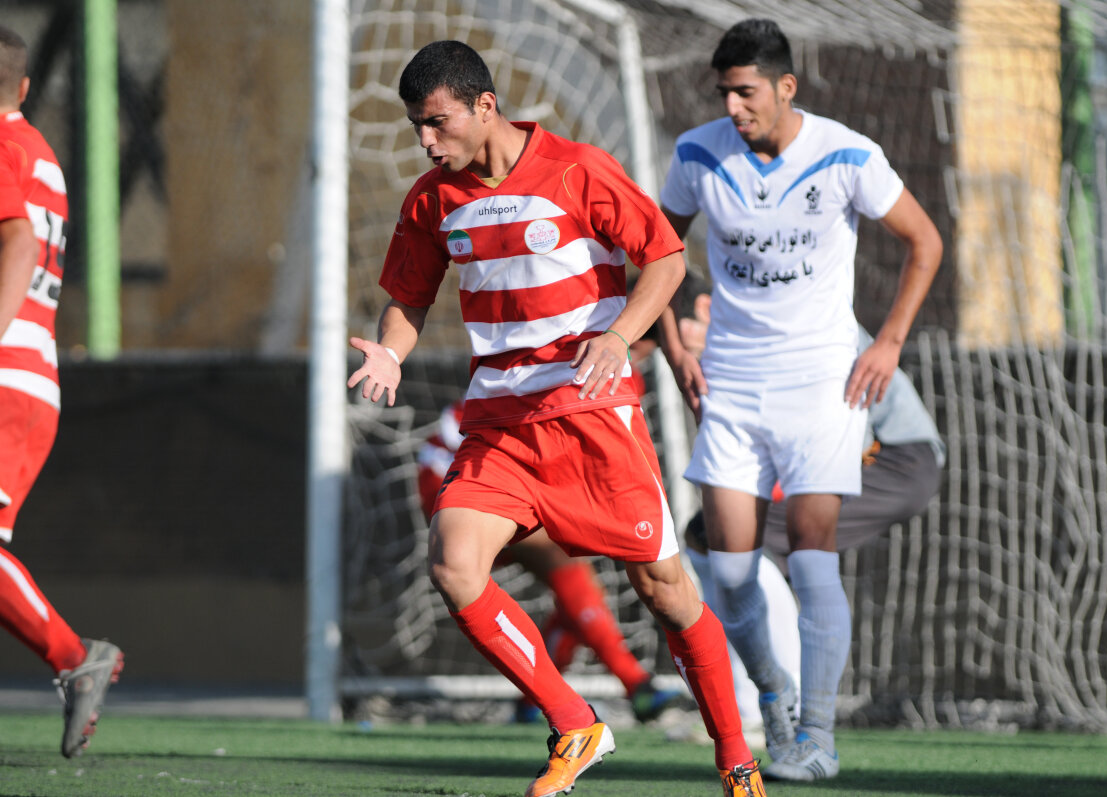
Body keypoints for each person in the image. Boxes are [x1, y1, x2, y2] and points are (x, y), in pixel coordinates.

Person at [348, 40, 767, 797]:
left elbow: (665, 259)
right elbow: (408, 298)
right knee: (454, 563)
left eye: (437, 123)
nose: (426, 141)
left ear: (485, 106)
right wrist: (390, 352)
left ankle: (737, 759)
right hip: (500, 425)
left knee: (666, 592)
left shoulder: (578, 170)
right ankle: (574, 722)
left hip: (592, 416)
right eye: (416, 127)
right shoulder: (430, 199)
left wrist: (618, 336)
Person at [655, 18, 943, 782]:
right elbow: (654, 251)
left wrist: (888, 341)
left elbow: (925, 241)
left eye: (747, 92)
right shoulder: (697, 154)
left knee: (814, 559)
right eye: (725, 93)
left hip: (822, 381)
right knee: (729, 569)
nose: (734, 107)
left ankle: (815, 735)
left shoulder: (848, 154)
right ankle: (773, 694)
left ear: (786, 87)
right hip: (732, 381)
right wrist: (675, 347)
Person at [684, 321, 946, 727]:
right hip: (875, 459)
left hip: (894, 459)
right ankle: (759, 707)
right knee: (718, 538)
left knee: (727, 536)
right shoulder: (755, 328)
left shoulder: (804, 318)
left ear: (705, 308)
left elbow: (847, 418)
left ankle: (769, 707)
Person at [0, 25, 124, 758]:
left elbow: (17, 242)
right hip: (32, 377)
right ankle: (76, 657)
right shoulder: (39, 151)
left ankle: (76, 657)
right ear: (22, 86)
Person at [415, 401, 685, 726]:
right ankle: (633, 684)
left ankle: (537, 702)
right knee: (566, 566)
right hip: (469, 502)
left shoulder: (538, 396)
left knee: (576, 593)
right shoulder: (511, 400)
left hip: (481, 493)